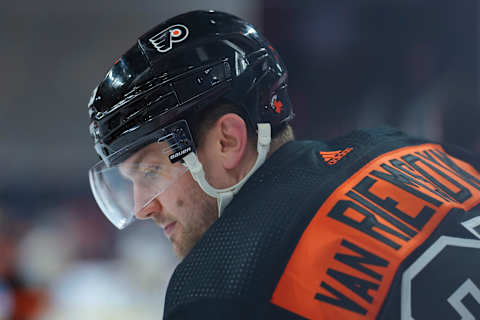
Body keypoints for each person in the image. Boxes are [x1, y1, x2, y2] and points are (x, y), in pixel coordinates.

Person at [87, 10, 480, 320]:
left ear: (228, 141)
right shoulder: (403, 149)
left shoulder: (216, 289)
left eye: (150, 171)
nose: (141, 207)